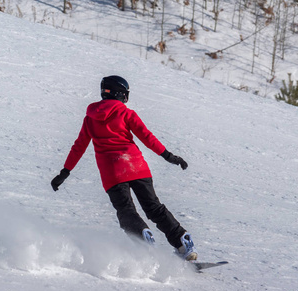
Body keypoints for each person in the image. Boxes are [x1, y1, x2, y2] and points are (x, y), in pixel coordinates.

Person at [51, 75, 197, 261]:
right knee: (154, 208)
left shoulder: (90, 119)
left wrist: (64, 172)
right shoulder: (126, 113)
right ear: (121, 94)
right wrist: (169, 156)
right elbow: (147, 137)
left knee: (126, 211)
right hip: (136, 166)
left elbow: (79, 146)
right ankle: (183, 242)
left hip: (112, 173)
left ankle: (143, 240)